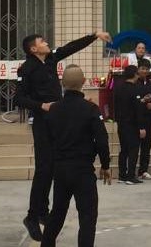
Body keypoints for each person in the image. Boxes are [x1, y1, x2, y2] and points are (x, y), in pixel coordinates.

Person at [15, 30, 111, 242]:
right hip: (42, 121)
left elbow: (71, 47)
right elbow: (19, 98)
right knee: (43, 169)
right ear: (33, 49)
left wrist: (94, 36)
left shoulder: (50, 58)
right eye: (42, 41)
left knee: (53, 167)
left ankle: (43, 211)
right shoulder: (27, 68)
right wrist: (41, 106)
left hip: (58, 118)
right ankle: (33, 216)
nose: (46, 42)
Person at [41, 65, 111, 247]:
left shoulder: (54, 109)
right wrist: (105, 165)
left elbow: (47, 140)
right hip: (83, 169)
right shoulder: (90, 109)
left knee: (57, 213)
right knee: (87, 217)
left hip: (61, 169)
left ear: (62, 84)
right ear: (83, 82)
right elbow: (102, 140)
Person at [114, 65, 144, 185]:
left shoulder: (118, 88)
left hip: (121, 123)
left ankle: (122, 175)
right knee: (133, 149)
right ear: (135, 75)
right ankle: (131, 176)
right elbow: (137, 109)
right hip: (132, 124)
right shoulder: (135, 89)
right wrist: (141, 127)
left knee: (123, 149)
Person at [136, 58, 151, 180]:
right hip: (136, 117)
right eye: (142, 69)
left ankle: (143, 170)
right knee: (135, 144)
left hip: (149, 117)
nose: (144, 71)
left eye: (147, 69)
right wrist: (142, 101)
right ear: (138, 69)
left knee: (147, 144)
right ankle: (130, 169)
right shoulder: (134, 83)